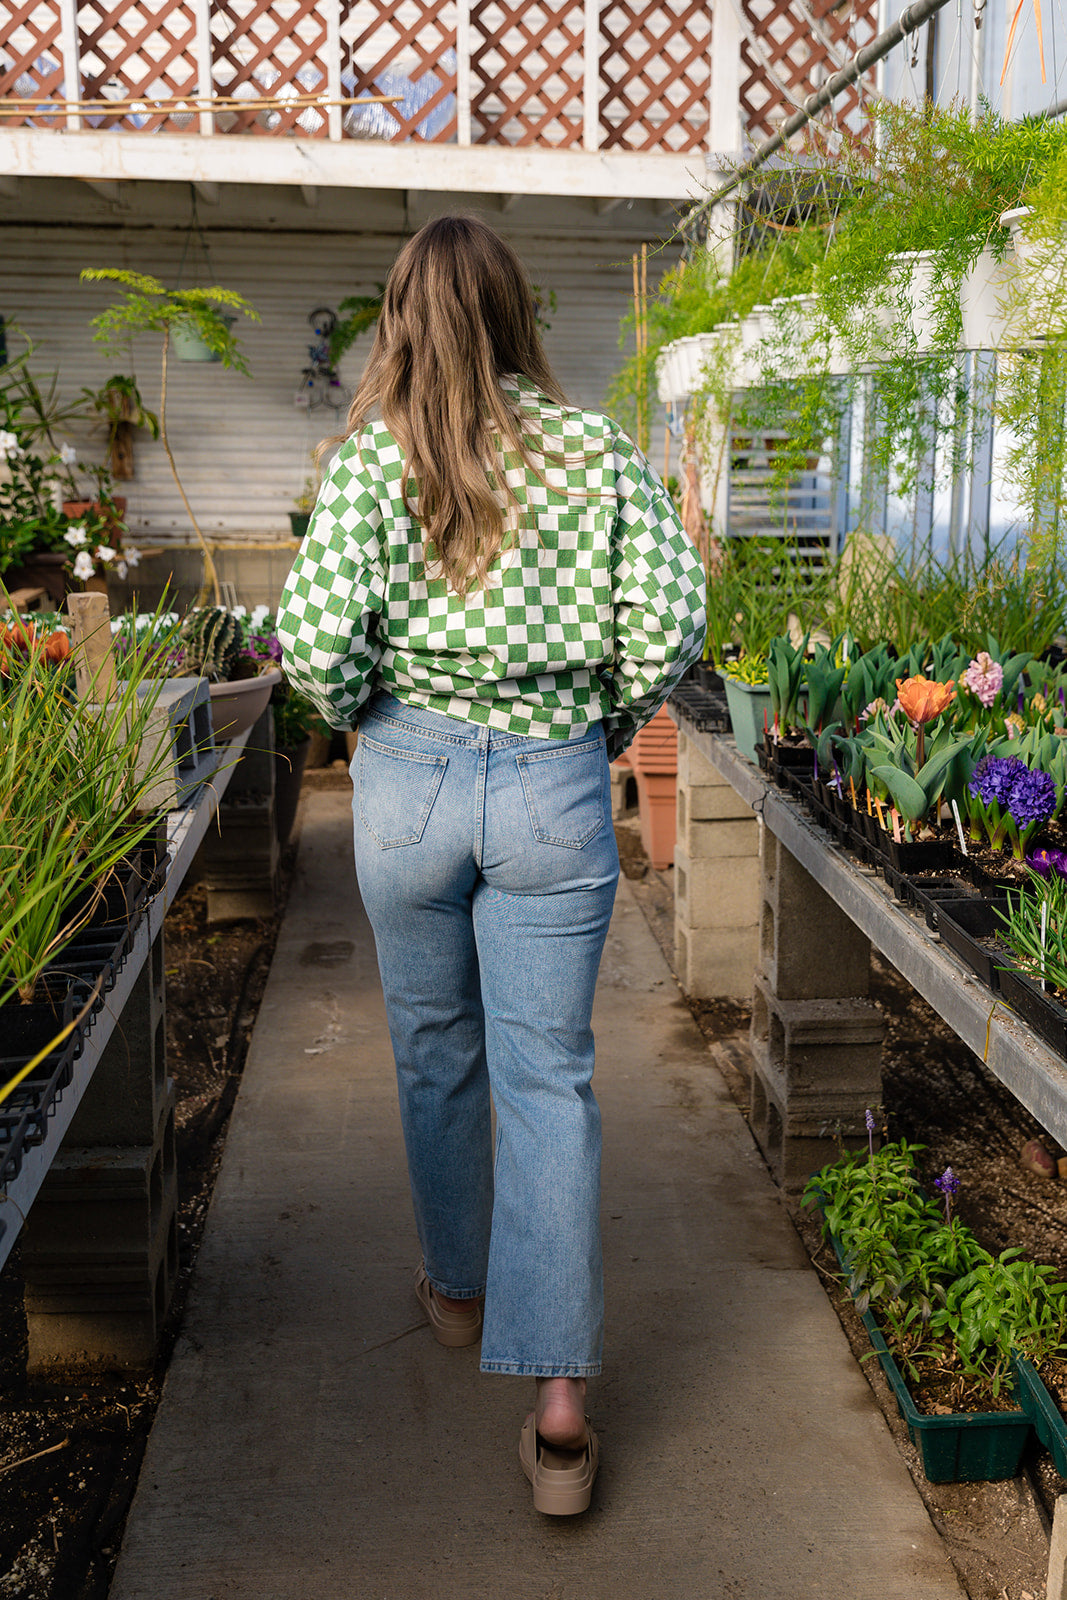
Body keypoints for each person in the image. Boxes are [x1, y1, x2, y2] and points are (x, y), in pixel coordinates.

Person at [277, 215, 706, 1515]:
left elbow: (311, 650)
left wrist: (374, 714)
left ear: (403, 321)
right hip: (550, 789)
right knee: (552, 1079)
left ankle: (458, 1292)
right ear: (518, 313)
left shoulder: (368, 465)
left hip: (405, 787)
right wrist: (601, 727)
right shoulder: (592, 453)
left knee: (434, 1049)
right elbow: (676, 615)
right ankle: (561, 1405)